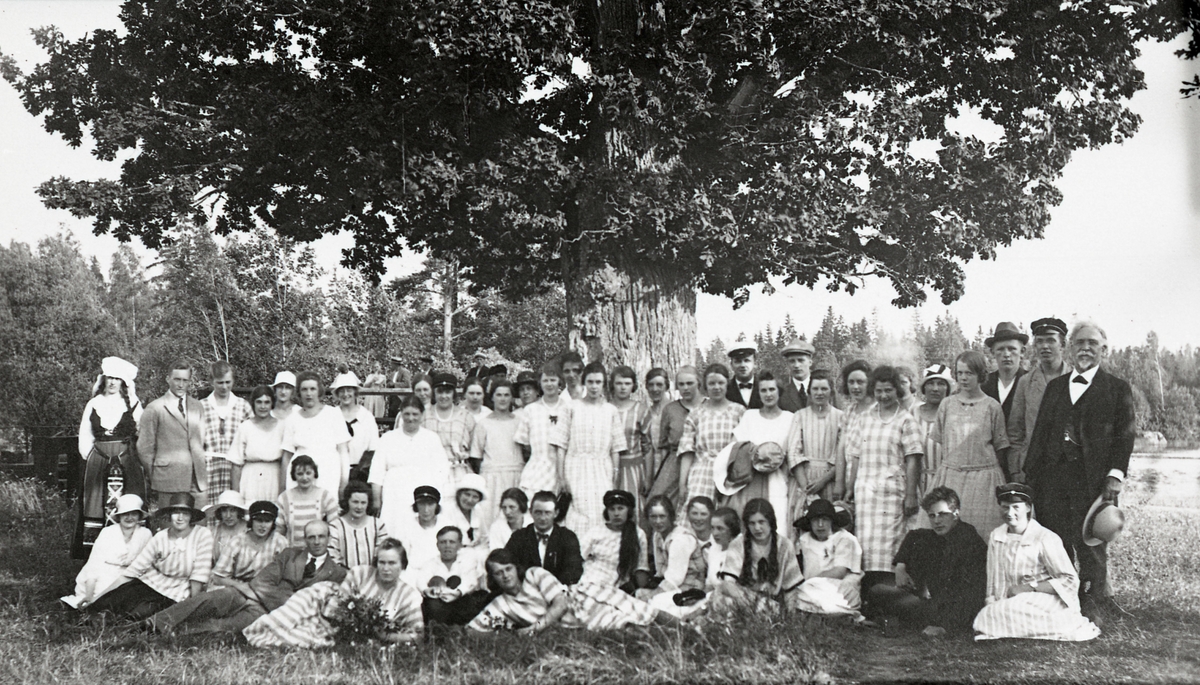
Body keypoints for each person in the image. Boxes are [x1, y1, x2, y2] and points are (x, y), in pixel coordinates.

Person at [1024, 319, 1135, 617]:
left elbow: (1125, 437)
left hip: (1094, 482)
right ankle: (1063, 604)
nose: (1085, 348)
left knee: (1092, 546)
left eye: (1092, 343)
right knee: (1056, 543)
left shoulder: (1117, 389)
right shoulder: (1055, 387)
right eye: (1080, 343)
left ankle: (1094, 604)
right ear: (1071, 348)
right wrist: (1030, 479)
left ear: (1104, 350)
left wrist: (1115, 475)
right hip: (1053, 481)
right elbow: (1040, 435)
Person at [146, 518, 345, 635]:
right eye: (312, 537)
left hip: (269, 612)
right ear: (305, 539)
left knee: (221, 627)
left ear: (329, 538)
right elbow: (262, 581)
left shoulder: (337, 573)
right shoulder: (290, 554)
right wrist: (290, 601)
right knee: (209, 599)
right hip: (247, 594)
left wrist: (283, 606)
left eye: (321, 536)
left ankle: (175, 632)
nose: (317, 541)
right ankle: (153, 623)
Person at [973, 483, 1100, 641]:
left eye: (1016, 507)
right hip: (1009, 602)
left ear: (1028, 508)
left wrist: (1029, 588)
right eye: (1005, 507)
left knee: (1006, 610)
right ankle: (1014, 624)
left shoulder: (1045, 537)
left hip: (1043, 600)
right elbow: (993, 577)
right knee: (988, 614)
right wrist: (991, 601)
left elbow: (1070, 580)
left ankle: (1054, 623)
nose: (1010, 513)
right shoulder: (997, 536)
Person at [243, 537, 423, 647]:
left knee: (303, 637)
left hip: (350, 631)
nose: (385, 568)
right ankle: (261, 628)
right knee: (299, 606)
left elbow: (418, 635)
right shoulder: (361, 573)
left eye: (392, 563)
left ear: (403, 565)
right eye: (382, 562)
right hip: (325, 605)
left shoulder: (408, 596)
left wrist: (386, 636)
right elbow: (338, 603)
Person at [844, 365, 923, 605]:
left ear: (897, 390)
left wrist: (911, 495)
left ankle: (892, 600)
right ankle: (869, 603)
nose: (883, 395)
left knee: (891, 550)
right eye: (878, 390)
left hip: (893, 495)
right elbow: (855, 455)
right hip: (866, 495)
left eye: (888, 390)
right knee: (866, 549)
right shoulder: (864, 418)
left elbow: (913, 459)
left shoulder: (906, 420)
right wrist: (849, 488)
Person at [868, 487, 987, 636]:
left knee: (881, 593)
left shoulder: (969, 541)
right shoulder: (938, 534)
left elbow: (972, 593)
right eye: (932, 516)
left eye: (942, 514)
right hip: (932, 602)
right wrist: (900, 567)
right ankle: (893, 617)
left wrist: (945, 627)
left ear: (956, 513)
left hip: (952, 610)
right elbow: (913, 535)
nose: (936, 521)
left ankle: (895, 617)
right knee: (878, 589)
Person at [86, 493, 213, 620]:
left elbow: (199, 575)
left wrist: (191, 607)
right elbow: (133, 571)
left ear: (191, 516)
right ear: (169, 514)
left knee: (137, 615)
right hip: (150, 584)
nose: (180, 518)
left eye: (185, 513)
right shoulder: (160, 537)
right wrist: (96, 598)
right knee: (109, 603)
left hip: (176, 592)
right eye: (176, 513)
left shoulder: (202, 535)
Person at [928, 351, 1010, 533]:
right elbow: (942, 441)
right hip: (951, 478)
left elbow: (1000, 446)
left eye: (969, 373)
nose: (964, 378)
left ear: (980, 375)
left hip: (983, 481)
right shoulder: (947, 405)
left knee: (981, 532)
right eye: (960, 373)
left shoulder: (992, 406)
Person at [75, 356, 146, 558]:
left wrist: (137, 457)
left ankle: (131, 552)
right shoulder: (94, 404)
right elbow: (85, 435)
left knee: (130, 501)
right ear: (103, 379)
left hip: (127, 461)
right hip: (99, 461)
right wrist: (92, 458)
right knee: (95, 503)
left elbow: (143, 433)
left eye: (117, 378)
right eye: (110, 378)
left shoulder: (132, 404)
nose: (113, 382)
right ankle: (96, 555)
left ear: (123, 382)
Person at [568, 490, 660, 629]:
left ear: (628, 510)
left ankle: (681, 624)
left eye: (620, 508)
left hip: (613, 588)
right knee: (600, 611)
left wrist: (645, 592)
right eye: (612, 509)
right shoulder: (596, 532)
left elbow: (641, 568)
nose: (616, 513)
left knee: (638, 607)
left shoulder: (638, 534)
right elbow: (576, 559)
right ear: (607, 511)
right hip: (588, 584)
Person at [714, 372, 793, 519]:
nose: (768, 394)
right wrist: (752, 452)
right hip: (750, 481)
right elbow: (734, 447)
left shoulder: (790, 418)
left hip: (778, 480)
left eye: (772, 389)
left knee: (778, 519)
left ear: (779, 391)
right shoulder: (750, 416)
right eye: (763, 390)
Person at [561, 362, 628, 533]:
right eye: (590, 382)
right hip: (575, 468)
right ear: (584, 382)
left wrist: (614, 475)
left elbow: (616, 448)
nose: (594, 386)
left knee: (600, 509)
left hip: (602, 469)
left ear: (604, 384)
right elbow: (561, 445)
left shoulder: (610, 410)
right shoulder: (571, 407)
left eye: (598, 382)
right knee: (578, 512)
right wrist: (562, 477)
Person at [370, 394, 449, 533]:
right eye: (407, 414)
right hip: (394, 495)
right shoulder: (388, 438)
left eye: (415, 414)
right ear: (401, 414)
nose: (411, 418)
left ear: (422, 415)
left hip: (422, 494)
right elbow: (377, 472)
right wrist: (377, 500)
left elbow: (442, 471)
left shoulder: (431, 438)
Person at [1007, 317, 1072, 483]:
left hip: (1068, 470)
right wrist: (1016, 470)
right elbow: (1015, 431)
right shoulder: (1025, 382)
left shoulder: (1076, 380)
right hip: (1032, 469)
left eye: (1051, 340)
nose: (1044, 346)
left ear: (1063, 344)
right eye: (1039, 341)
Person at [711, 498, 803, 614]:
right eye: (752, 523)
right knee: (722, 596)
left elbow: (791, 588)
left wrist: (790, 616)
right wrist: (750, 601)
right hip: (743, 598)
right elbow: (729, 584)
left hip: (772, 604)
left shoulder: (785, 545)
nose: (757, 528)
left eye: (761, 522)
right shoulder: (738, 544)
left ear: (770, 521)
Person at [138, 360, 208, 512]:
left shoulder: (197, 406)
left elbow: (200, 440)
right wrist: (157, 475)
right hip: (168, 479)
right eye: (177, 379)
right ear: (168, 379)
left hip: (197, 480)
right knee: (170, 522)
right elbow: (144, 449)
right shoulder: (155, 408)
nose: (181, 385)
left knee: (199, 522)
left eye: (185, 380)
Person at [63, 494, 152, 609]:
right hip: (105, 574)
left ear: (139, 516)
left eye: (134, 514)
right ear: (119, 516)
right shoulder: (108, 532)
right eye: (125, 514)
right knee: (99, 597)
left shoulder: (145, 534)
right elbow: (94, 565)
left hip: (130, 576)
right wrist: (89, 594)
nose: (129, 518)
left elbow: (147, 563)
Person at [678, 364, 745, 505]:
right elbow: (687, 452)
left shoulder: (739, 411)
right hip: (702, 472)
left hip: (730, 473)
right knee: (699, 510)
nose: (716, 387)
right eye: (712, 383)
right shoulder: (696, 414)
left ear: (727, 384)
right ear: (705, 386)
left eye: (720, 383)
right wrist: (682, 484)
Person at [468, 548, 575, 632]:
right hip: (564, 629)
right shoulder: (501, 603)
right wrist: (507, 634)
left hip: (578, 607)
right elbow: (470, 630)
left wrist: (534, 628)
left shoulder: (534, 574)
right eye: (498, 573)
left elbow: (562, 604)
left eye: (508, 569)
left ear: (516, 568)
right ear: (492, 578)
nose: (505, 576)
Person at [785, 370, 843, 525]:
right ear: (809, 391)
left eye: (824, 389)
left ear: (831, 391)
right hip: (804, 479)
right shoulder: (800, 415)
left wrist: (823, 481)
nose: (819, 393)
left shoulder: (841, 417)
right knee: (802, 523)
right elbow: (793, 452)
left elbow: (842, 454)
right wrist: (807, 489)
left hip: (830, 479)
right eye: (815, 389)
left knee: (829, 524)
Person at [281, 371, 351, 497]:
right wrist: (283, 488)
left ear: (319, 391)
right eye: (304, 389)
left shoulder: (333, 414)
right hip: (299, 472)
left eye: (312, 389)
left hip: (328, 472)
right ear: (299, 392)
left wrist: (344, 483)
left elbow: (343, 451)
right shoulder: (292, 418)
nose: (308, 394)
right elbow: (287, 456)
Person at [639, 496, 710, 618]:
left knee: (654, 602)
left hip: (691, 589)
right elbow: (660, 571)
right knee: (639, 595)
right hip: (674, 587)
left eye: (662, 516)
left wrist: (651, 595)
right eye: (653, 517)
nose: (658, 521)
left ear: (671, 517)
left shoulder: (680, 539)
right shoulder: (658, 535)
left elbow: (674, 579)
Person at [793, 499, 863, 616]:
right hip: (812, 588)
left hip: (840, 589)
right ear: (810, 522)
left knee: (808, 592)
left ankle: (836, 611)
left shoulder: (844, 538)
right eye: (816, 520)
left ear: (832, 521)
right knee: (796, 594)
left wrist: (811, 581)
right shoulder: (805, 540)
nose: (820, 524)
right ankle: (823, 611)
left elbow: (839, 572)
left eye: (825, 519)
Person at [412, 526, 492, 626]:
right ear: (437, 545)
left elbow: (470, 581)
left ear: (459, 545)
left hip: (461, 604)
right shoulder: (430, 564)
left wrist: (457, 593)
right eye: (443, 542)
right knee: (431, 602)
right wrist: (427, 590)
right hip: (439, 605)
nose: (447, 546)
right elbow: (421, 581)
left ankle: (458, 628)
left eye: (452, 542)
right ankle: (440, 630)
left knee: (455, 581)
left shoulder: (467, 561)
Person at [208, 500, 290, 596]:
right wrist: (240, 586)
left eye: (267, 521)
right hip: (239, 588)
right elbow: (218, 577)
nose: (262, 526)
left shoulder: (280, 542)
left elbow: (287, 575)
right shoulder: (237, 542)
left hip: (268, 589)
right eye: (259, 520)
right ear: (251, 521)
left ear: (273, 522)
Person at [649, 366, 703, 509]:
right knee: (657, 502)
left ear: (699, 383)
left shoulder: (708, 405)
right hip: (675, 462)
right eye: (681, 384)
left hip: (701, 460)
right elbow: (663, 446)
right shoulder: (670, 409)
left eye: (690, 383)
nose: (685, 388)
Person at [505, 491, 584, 585]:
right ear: (531, 512)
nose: (542, 518)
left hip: (558, 589)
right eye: (538, 512)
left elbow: (573, 571)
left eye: (547, 513)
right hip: (526, 589)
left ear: (556, 513)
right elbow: (509, 566)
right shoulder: (519, 537)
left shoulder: (567, 537)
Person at [200, 361, 253, 504]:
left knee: (233, 507)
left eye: (228, 382)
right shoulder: (201, 406)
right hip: (209, 469)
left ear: (233, 380)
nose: (224, 387)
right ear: (211, 381)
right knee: (211, 508)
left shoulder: (243, 406)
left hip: (236, 469)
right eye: (220, 383)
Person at [515, 362, 570, 497]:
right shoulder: (531, 410)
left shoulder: (569, 408)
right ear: (540, 383)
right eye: (545, 380)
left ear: (560, 382)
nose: (549, 384)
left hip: (565, 468)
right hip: (538, 467)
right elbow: (525, 445)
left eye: (553, 380)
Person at [472, 381, 523, 526]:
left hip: (514, 475)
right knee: (490, 517)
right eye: (499, 395)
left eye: (507, 395)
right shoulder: (483, 423)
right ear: (492, 397)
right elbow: (476, 456)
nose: (503, 399)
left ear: (512, 398)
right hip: (491, 477)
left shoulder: (520, 422)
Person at [227, 385, 286, 503]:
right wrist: (236, 496)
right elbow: (236, 465)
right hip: (250, 480)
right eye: (259, 402)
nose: (263, 406)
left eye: (267, 402)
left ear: (272, 404)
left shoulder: (282, 427)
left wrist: (283, 490)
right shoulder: (245, 427)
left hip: (274, 479)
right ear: (253, 403)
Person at [418, 372, 477, 484]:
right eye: (440, 392)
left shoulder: (465, 416)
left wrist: (465, 454)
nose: (444, 396)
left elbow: (475, 449)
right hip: (431, 472)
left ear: (453, 393)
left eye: (448, 392)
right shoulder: (424, 416)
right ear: (434, 393)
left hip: (459, 472)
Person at [276, 455, 339, 547]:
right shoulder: (284, 498)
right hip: (293, 552)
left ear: (314, 473)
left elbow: (335, 528)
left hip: (319, 551)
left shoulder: (325, 496)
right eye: (300, 474)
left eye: (308, 473)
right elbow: (278, 531)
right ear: (294, 475)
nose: (305, 478)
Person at [832, 360, 873, 501]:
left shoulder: (878, 411)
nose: (855, 387)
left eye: (860, 382)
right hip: (849, 480)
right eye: (851, 382)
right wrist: (839, 483)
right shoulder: (849, 411)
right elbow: (841, 448)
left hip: (871, 481)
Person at [610, 365, 647, 519]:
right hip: (608, 466)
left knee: (632, 510)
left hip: (633, 468)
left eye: (627, 383)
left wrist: (647, 477)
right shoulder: (605, 408)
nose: (623, 387)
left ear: (633, 385)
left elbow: (647, 446)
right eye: (619, 383)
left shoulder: (641, 409)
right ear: (612, 385)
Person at [331, 370, 378, 485]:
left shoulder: (366, 416)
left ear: (355, 392)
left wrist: (359, 472)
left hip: (361, 474)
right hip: (335, 472)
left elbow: (373, 448)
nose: (345, 394)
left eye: (349, 390)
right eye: (341, 390)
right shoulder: (332, 415)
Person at [913, 365, 954, 494]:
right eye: (930, 383)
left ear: (948, 389)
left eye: (941, 384)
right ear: (924, 388)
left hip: (948, 483)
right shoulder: (912, 414)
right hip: (916, 484)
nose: (935, 389)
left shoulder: (954, 415)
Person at [328, 480, 388, 568]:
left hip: (372, 574)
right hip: (343, 575)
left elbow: (382, 555)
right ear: (347, 501)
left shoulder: (378, 525)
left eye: (363, 503)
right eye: (355, 502)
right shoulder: (335, 526)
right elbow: (332, 557)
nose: (359, 507)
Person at [638, 368, 671, 510]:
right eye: (651, 385)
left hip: (670, 462)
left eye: (659, 385)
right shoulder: (646, 412)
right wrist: (648, 477)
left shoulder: (674, 409)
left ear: (667, 386)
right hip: (651, 464)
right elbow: (647, 446)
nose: (655, 389)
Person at [393, 486, 449, 569]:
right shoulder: (406, 526)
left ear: (437, 506)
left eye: (430, 504)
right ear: (416, 506)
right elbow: (400, 556)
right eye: (422, 504)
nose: (426, 510)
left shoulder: (447, 525)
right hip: (412, 572)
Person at [982, 322, 1028, 423]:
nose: (1006, 354)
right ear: (992, 353)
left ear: (1022, 352)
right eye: (1000, 349)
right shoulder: (984, 383)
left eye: (1012, 349)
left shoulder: (1031, 382)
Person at [445, 473, 490, 549]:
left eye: (475, 497)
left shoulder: (478, 510)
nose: (469, 500)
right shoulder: (448, 510)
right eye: (467, 494)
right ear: (459, 494)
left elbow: (484, 538)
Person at [205, 490, 249, 563]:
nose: (228, 515)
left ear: (239, 511)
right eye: (224, 511)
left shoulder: (249, 530)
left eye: (232, 510)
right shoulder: (214, 533)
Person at [705, 507, 740, 591]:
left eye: (720, 528)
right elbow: (709, 584)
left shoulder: (740, 550)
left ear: (732, 529)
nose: (715, 533)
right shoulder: (714, 549)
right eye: (712, 528)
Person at [777, 339, 816, 412]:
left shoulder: (825, 389)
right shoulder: (781, 394)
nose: (796, 365)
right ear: (787, 364)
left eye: (801, 360)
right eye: (792, 361)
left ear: (810, 362)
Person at [725, 344, 762, 409]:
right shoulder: (725, 389)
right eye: (738, 361)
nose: (743, 365)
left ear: (755, 363)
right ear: (731, 365)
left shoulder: (766, 386)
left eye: (747, 360)